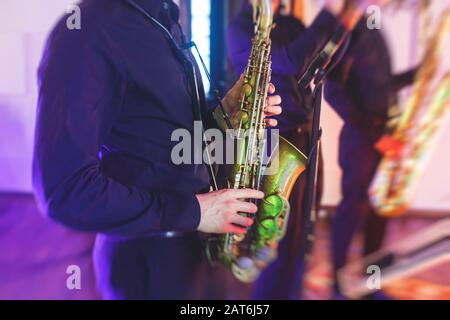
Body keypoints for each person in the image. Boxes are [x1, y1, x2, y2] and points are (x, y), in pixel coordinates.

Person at [32, 0, 282, 300]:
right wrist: (196, 212)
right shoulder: (85, 32)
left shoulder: (163, 17)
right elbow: (64, 192)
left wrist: (225, 112)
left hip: (195, 249)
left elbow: (159, 135)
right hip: (147, 261)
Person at [227, 0, 375, 299]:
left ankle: (292, 293)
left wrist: (352, 14)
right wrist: (333, 10)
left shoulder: (290, 24)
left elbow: (322, 61)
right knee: (270, 237)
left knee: (300, 234)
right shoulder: (241, 26)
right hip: (270, 143)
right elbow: (290, 60)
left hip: (304, 139)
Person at [325, 0, 419, 298]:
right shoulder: (347, 29)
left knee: (379, 212)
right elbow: (332, 90)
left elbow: (382, 83)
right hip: (362, 138)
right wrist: (375, 136)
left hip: (384, 133)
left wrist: (420, 74)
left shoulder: (374, 26)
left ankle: (372, 283)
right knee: (352, 210)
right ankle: (338, 287)